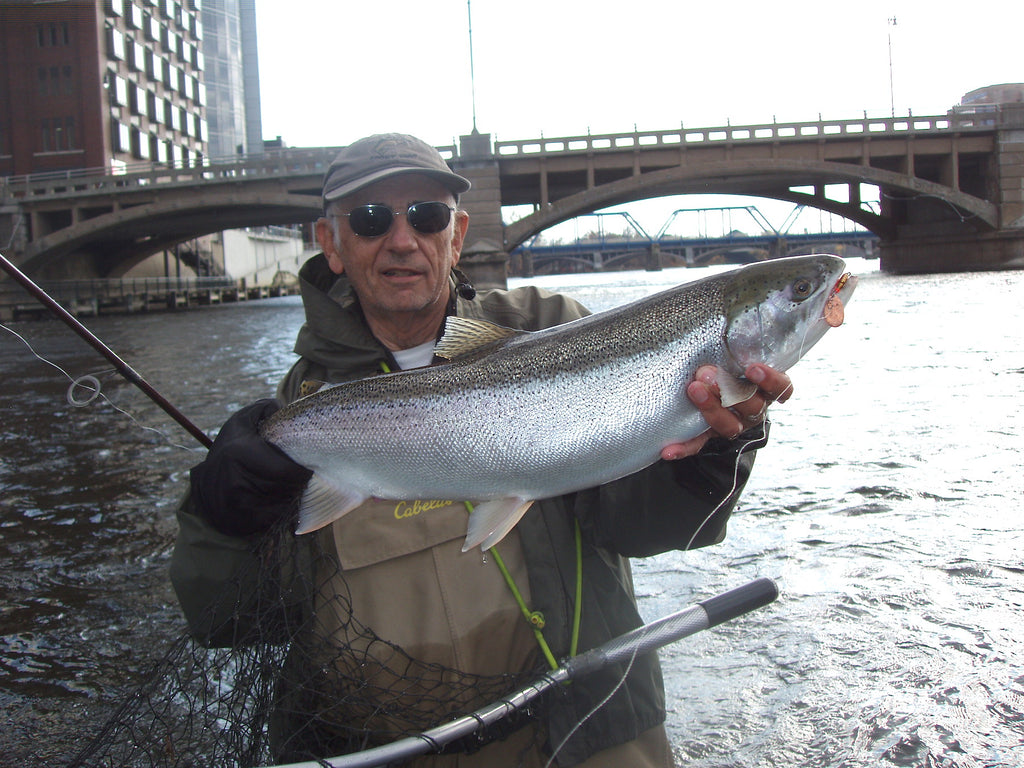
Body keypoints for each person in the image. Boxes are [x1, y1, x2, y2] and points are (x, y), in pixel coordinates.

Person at [170, 133, 793, 768]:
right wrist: (221, 521)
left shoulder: (557, 330)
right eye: (369, 220)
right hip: (388, 756)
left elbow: (645, 524)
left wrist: (717, 450)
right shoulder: (295, 415)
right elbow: (228, 624)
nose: (403, 239)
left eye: (426, 215)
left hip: (592, 733)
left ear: (458, 233)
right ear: (330, 243)